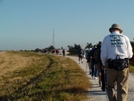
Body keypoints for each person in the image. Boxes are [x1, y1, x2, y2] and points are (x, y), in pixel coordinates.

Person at [101, 24, 133, 101]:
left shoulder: (106, 38)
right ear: (119, 30)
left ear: (111, 30)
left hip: (111, 65)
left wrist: (104, 64)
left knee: (110, 86)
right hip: (123, 65)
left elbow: (103, 54)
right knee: (122, 87)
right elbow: (130, 54)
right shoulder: (125, 38)